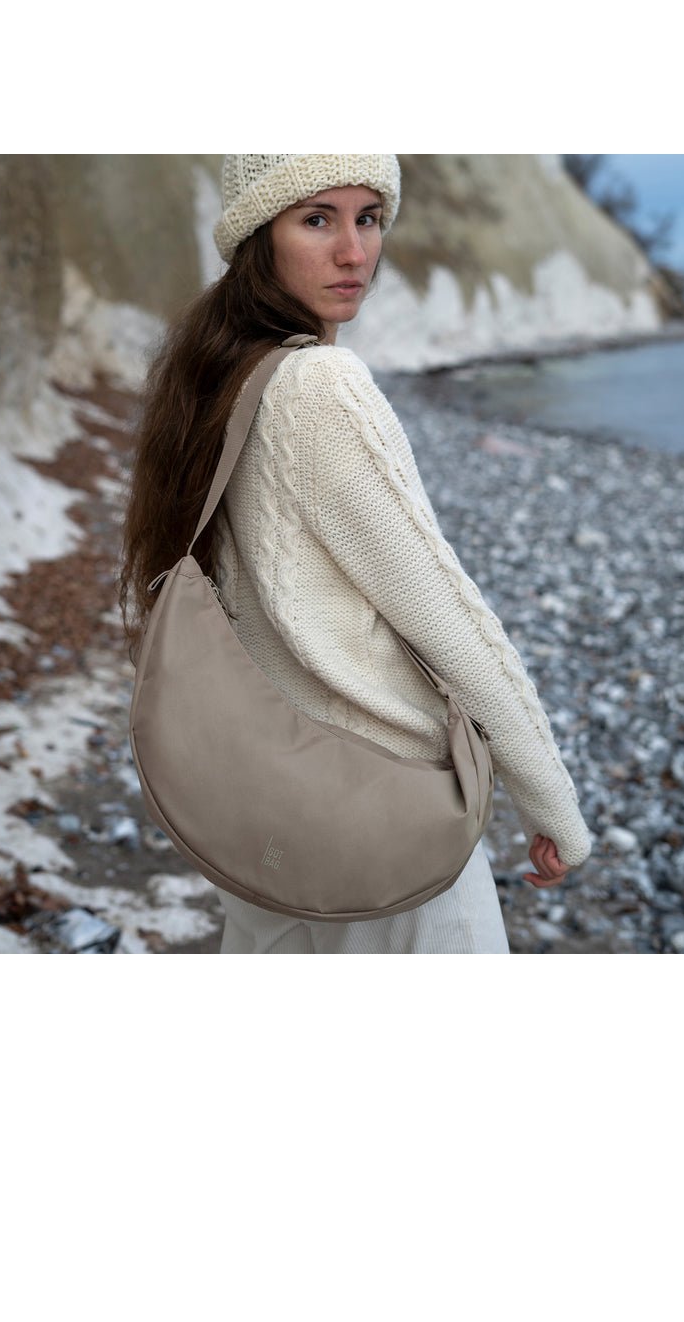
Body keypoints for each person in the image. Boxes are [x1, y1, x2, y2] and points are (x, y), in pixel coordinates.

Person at [119, 154, 593, 953]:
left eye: (368, 218)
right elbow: (445, 614)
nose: (354, 252)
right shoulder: (321, 385)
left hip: (265, 809)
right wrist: (549, 800)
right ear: (258, 236)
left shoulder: (218, 374)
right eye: (317, 219)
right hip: (380, 810)